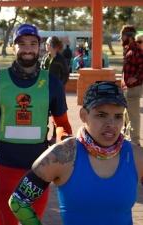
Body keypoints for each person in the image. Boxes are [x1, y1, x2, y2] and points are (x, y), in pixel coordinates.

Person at [0, 24, 72, 225]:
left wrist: (66, 145)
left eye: (33, 44)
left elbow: (61, 124)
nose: (27, 49)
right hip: (4, 168)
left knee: (32, 223)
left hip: (39, 171)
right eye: (22, 43)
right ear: (12, 46)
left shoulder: (52, 83)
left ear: (39, 47)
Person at [9, 81, 143, 225]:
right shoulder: (61, 155)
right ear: (83, 115)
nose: (111, 124)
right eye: (101, 115)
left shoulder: (136, 156)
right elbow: (18, 201)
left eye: (118, 116)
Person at [40, 36, 69, 146]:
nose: (45, 45)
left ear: (52, 45)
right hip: (44, 91)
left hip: (56, 93)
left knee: (56, 115)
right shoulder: (45, 58)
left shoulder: (61, 60)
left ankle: (54, 136)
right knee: (43, 113)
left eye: (47, 43)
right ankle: (43, 134)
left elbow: (66, 75)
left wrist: (60, 86)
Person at [120, 25, 143, 146]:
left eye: (122, 36)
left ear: (129, 36)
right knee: (127, 113)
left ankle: (134, 141)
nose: (121, 38)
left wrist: (135, 78)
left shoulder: (136, 50)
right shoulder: (129, 49)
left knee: (133, 114)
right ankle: (129, 139)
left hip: (134, 87)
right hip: (128, 88)